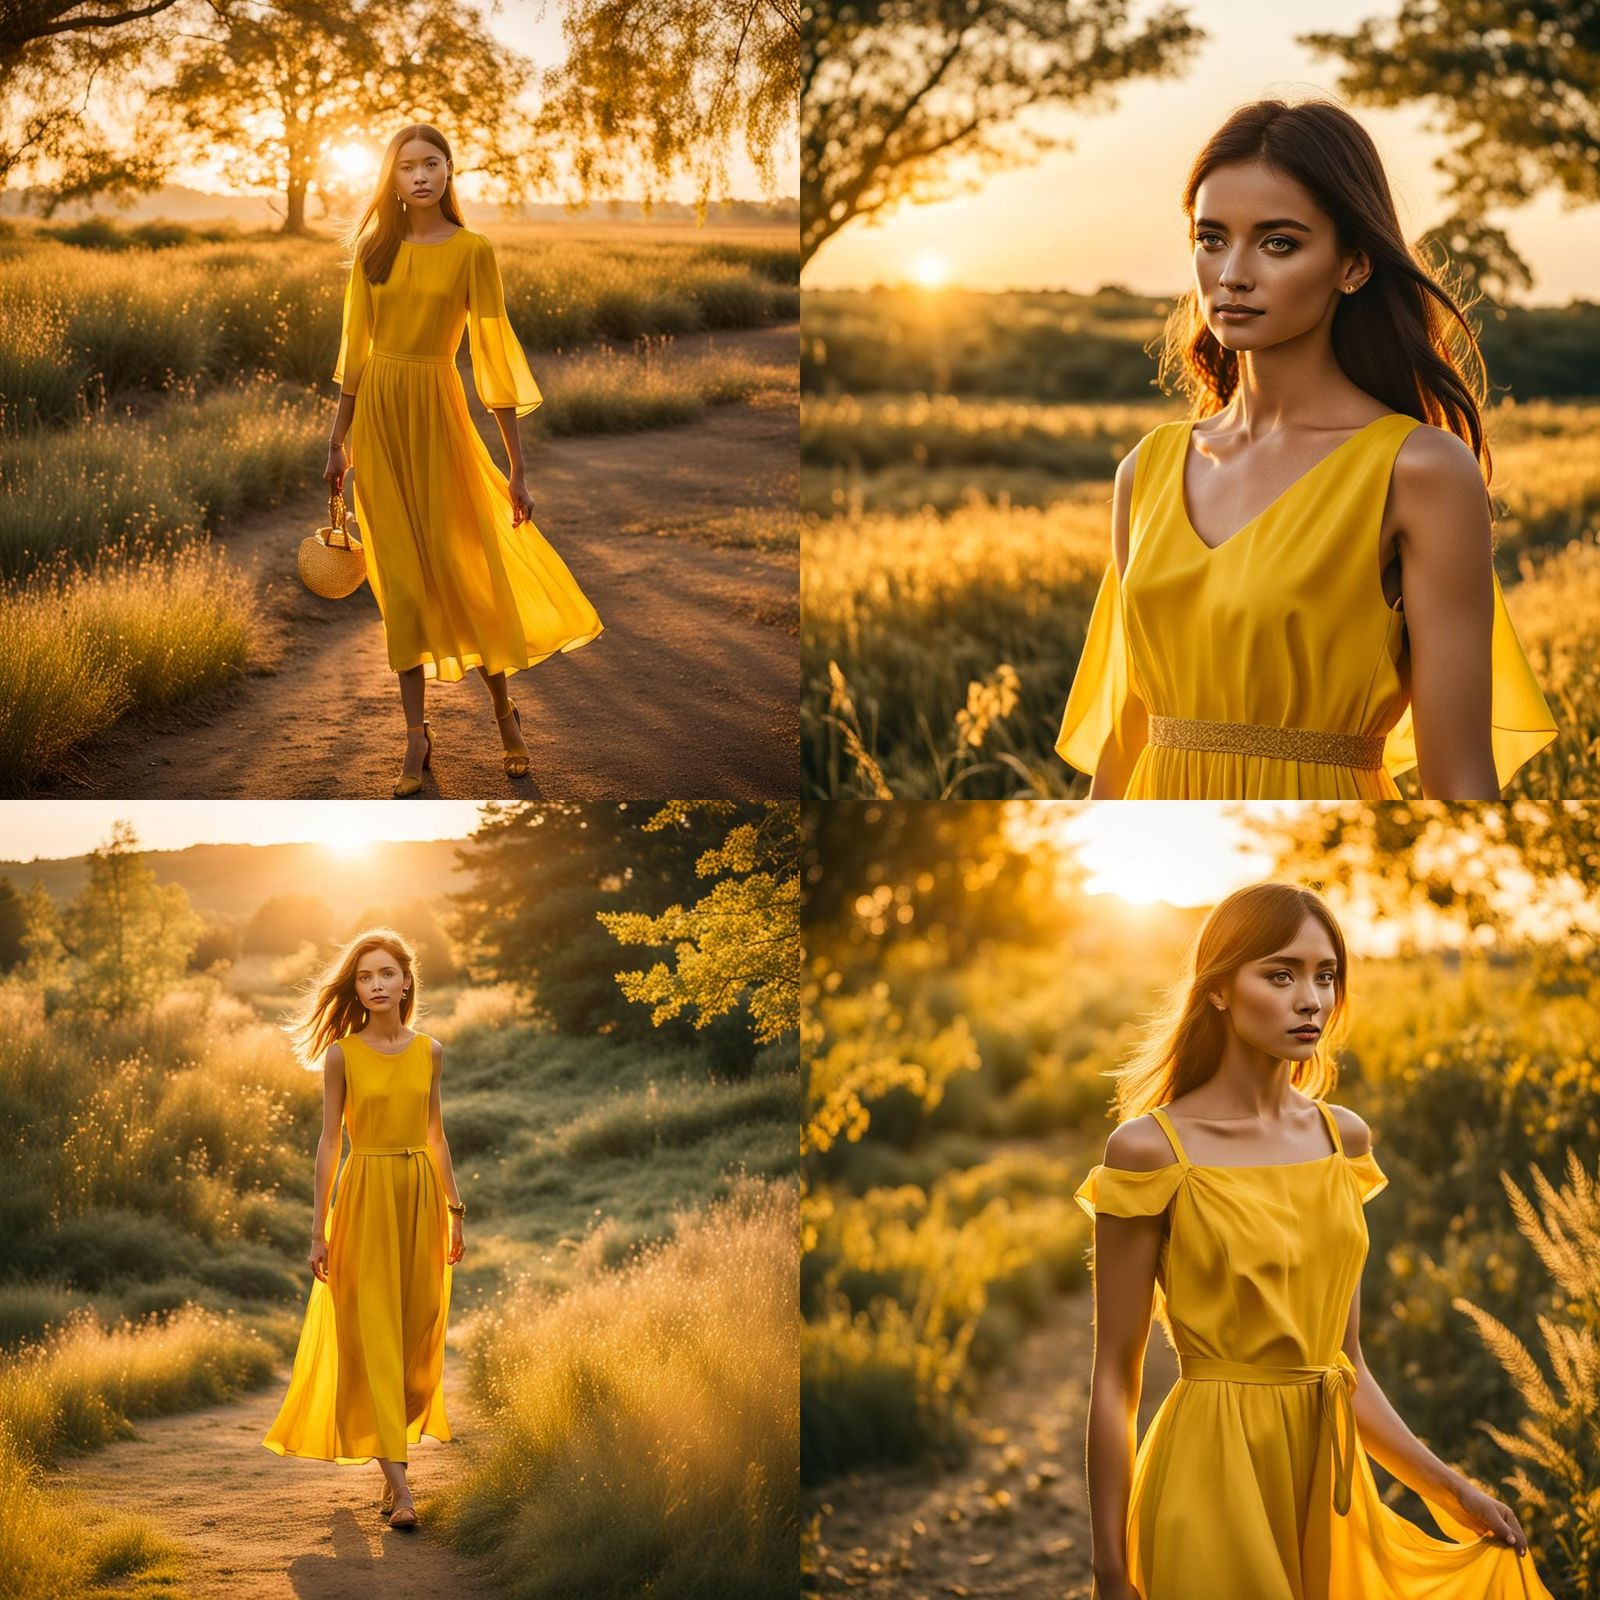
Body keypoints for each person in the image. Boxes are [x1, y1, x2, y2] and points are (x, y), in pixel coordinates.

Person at [1055, 99, 1556, 800]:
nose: (1232, 273)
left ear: (1354, 265)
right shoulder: (1148, 468)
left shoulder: (1418, 471)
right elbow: (1126, 740)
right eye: (1211, 238)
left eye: (1278, 242)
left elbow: (1460, 779)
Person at [1078, 882, 1556, 1600]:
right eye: (1280, 974)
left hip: (1324, 1487)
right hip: (1209, 1474)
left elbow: (1345, 1364)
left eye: (1325, 975)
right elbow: (1115, 1379)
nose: (1311, 999)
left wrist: (1454, 1493)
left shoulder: (1343, 1140)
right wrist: (1110, 1573)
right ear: (1217, 991)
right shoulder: (1149, 1150)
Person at [324, 123, 604, 799]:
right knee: (404, 588)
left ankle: (505, 714)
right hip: (381, 429)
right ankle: (415, 737)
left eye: (432, 163)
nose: (419, 175)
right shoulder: (372, 253)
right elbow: (354, 356)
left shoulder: (473, 251)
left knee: (466, 572)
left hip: (440, 416)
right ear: (390, 179)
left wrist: (517, 467)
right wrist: (337, 441)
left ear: (450, 173)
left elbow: (492, 365)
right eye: (406, 166)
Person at [262, 929, 466, 1530]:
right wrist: (317, 1228)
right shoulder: (341, 1055)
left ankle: (388, 1464)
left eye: (385, 974)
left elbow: (435, 1136)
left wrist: (455, 1209)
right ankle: (403, 1492)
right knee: (373, 1333)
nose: (375, 985)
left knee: (413, 1338)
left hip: (420, 1200)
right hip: (364, 1199)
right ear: (356, 988)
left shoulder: (429, 1050)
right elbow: (329, 1143)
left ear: (406, 981)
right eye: (364, 977)